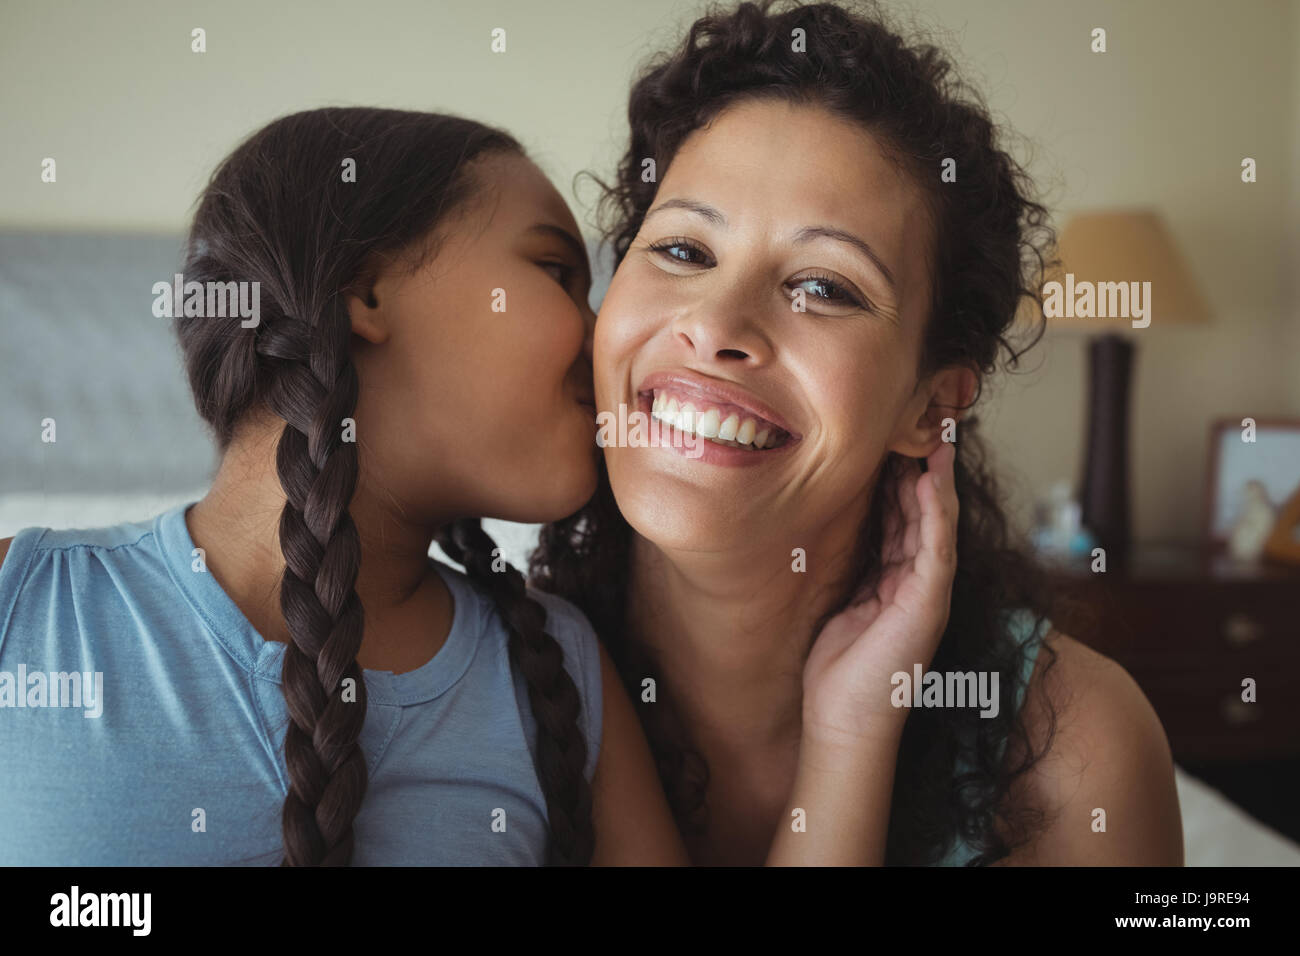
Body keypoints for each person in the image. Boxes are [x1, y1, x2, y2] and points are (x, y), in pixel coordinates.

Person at [530, 0, 1184, 865]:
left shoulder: (1077, 750)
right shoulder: (483, 689)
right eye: (684, 251)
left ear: (929, 407)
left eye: (826, 287)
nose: (717, 324)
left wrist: (852, 734)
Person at [0, 108, 686, 866]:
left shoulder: (562, 671)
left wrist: (844, 739)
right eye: (557, 272)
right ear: (364, 290)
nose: (604, 340)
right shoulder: (20, 608)